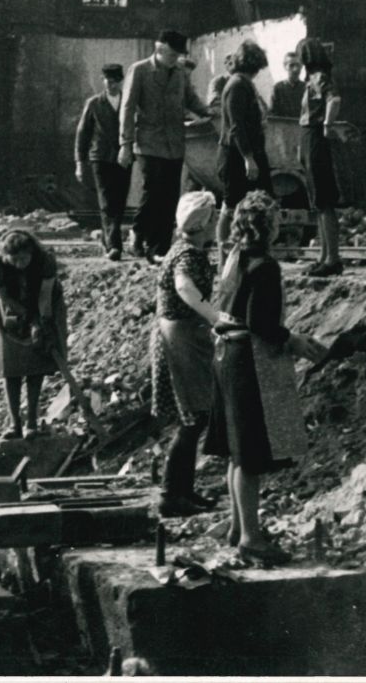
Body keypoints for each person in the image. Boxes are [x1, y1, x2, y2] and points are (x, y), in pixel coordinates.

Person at [204, 191, 329, 565]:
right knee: (250, 455)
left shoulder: (233, 258)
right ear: (271, 227)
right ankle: (250, 537)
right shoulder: (266, 267)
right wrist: (295, 341)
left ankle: (236, 525)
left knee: (236, 451)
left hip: (225, 356)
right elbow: (261, 324)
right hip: (247, 361)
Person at [152, 191, 222, 518]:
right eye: (213, 216)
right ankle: (171, 494)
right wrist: (214, 316)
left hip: (177, 332)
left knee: (192, 417)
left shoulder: (182, 248)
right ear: (203, 223)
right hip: (181, 336)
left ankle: (183, 491)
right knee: (193, 418)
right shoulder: (189, 257)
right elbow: (183, 286)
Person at [120, 30, 209, 261]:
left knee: (169, 196)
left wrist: (209, 113)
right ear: (159, 50)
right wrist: (125, 144)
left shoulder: (179, 73)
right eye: (172, 55)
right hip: (149, 143)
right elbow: (127, 108)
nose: (175, 59)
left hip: (174, 144)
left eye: (178, 55)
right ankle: (138, 234)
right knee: (152, 192)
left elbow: (191, 99)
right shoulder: (139, 70)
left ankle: (159, 248)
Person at [0, 230, 68, 439]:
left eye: (23, 259)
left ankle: (32, 422)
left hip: (46, 306)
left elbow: (45, 296)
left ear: (31, 252)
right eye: (13, 260)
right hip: (12, 310)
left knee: (36, 365)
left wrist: (41, 323)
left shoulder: (45, 261)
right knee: (11, 369)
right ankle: (15, 424)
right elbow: (3, 295)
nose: (19, 264)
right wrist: (24, 316)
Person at [216, 40, 274, 256]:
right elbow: (236, 126)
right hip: (236, 155)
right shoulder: (237, 86)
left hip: (247, 152)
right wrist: (248, 158)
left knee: (256, 200)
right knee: (231, 205)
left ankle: (248, 248)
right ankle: (224, 253)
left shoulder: (243, 83)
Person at [297, 38, 345, 276]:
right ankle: (324, 256)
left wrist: (327, 124)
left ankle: (332, 258)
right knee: (319, 201)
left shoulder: (319, 77)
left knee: (323, 200)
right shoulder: (315, 77)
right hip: (310, 137)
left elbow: (334, 100)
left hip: (315, 136)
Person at [75, 64, 129, 260]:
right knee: (107, 201)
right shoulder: (94, 104)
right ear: (103, 81)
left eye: (114, 81)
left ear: (120, 81)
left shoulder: (128, 102)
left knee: (120, 201)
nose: (110, 85)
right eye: (107, 81)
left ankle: (108, 242)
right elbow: (82, 135)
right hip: (100, 158)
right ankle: (115, 246)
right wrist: (79, 162)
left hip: (124, 158)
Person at [270, 51, 305, 119]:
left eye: (298, 65)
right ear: (285, 66)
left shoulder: (306, 88)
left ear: (301, 67)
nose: (295, 69)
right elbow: (273, 114)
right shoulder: (278, 88)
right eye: (291, 65)